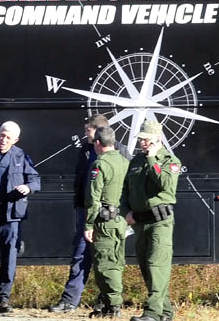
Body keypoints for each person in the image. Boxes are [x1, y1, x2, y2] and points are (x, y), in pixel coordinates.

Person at [50, 114, 131, 314]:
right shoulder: (86, 151)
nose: (85, 134)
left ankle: (106, 302)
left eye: (88, 130)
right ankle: (70, 300)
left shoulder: (120, 152)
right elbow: (82, 181)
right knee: (80, 255)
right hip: (86, 210)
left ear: (98, 132)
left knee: (108, 258)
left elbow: (126, 186)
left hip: (109, 215)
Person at [0, 121, 40, 313]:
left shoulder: (21, 156)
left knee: (9, 257)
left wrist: (28, 188)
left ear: (15, 140)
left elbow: (36, 180)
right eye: (1, 135)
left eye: (8, 137)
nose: (3, 140)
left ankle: (3, 300)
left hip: (12, 215)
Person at [121, 120, 180, 321]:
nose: (143, 143)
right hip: (139, 221)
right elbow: (125, 188)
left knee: (157, 266)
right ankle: (165, 312)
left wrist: (153, 159)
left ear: (157, 139)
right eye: (141, 140)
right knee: (147, 268)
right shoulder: (136, 161)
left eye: (146, 140)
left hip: (160, 221)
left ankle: (152, 313)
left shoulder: (170, 161)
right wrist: (125, 211)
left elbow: (166, 185)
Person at [83, 126, 129, 318]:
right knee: (116, 261)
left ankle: (114, 305)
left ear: (98, 143)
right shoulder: (124, 161)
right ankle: (110, 303)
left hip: (104, 221)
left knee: (104, 264)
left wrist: (88, 224)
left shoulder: (100, 164)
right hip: (120, 220)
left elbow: (93, 196)